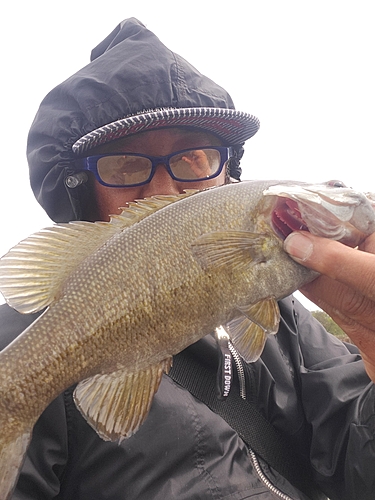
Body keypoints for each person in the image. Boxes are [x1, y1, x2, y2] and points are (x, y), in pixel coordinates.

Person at [0, 17, 374, 500]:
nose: (166, 190)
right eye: (125, 165)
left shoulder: (289, 325)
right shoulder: (19, 342)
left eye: (194, 158)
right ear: (81, 191)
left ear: (225, 176)